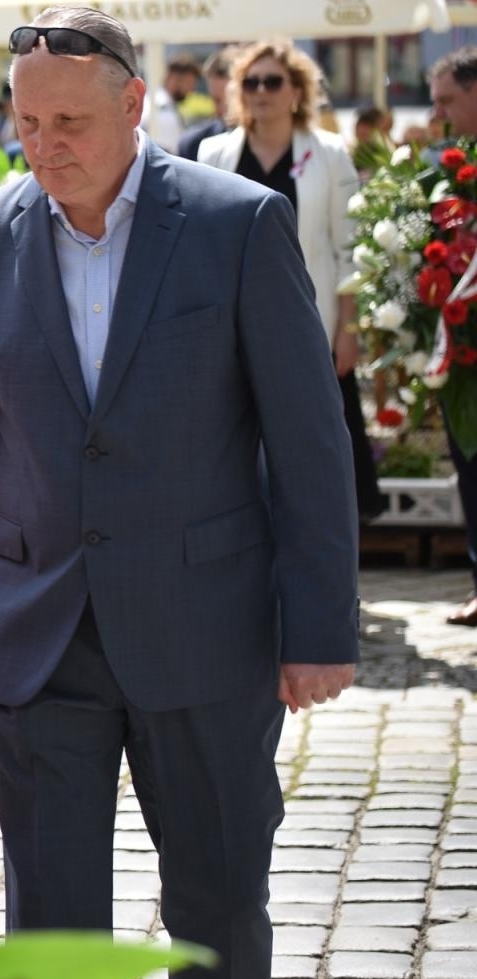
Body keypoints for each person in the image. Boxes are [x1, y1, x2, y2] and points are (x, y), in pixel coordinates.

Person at [0, 9, 358, 979]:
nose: (45, 142)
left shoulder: (236, 223)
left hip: (207, 631)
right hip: (34, 632)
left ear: (133, 104)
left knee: (218, 910)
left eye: (68, 119)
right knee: (49, 927)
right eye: (25, 122)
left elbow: (308, 442)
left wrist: (320, 627)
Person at [198, 40, 384, 525]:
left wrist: (349, 330)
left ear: (297, 91)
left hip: (311, 321)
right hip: (233, 326)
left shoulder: (330, 154)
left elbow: (351, 249)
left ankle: (331, 553)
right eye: (250, 82)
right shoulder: (213, 152)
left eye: (273, 81)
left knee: (322, 446)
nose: (261, 91)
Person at [428, 46, 477, 627]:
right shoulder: (436, 167)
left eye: (447, 101)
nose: (437, 112)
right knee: (469, 463)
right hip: (460, 346)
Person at [177, 44, 239, 163]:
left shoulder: (273, 145)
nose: (219, 110)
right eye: (216, 100)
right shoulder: (193, 145)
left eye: (230, 101)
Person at [149, 53, 200, 153]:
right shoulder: (161, 110)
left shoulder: (159, 104)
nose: (192, 90)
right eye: (189, 83)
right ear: (174, 78)